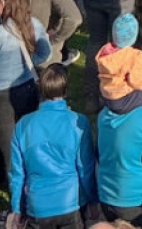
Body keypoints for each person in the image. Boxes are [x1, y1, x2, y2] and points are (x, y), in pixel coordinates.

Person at [0, 0, 53, 186]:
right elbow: (46, 52)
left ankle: (16, 204)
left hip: (1, 95)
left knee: (7, 148)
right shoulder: (34, 23)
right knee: (28, 141)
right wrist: (29, 65)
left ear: (2, 3)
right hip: (28, 88)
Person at [9, 64, 96, 229]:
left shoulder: (23, 125)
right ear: (66, 89)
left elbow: (17, 173)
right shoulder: (78, 122)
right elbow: (86, 169)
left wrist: (16, 208)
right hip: (70, 202)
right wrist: (93, 200)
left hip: (37, 205)